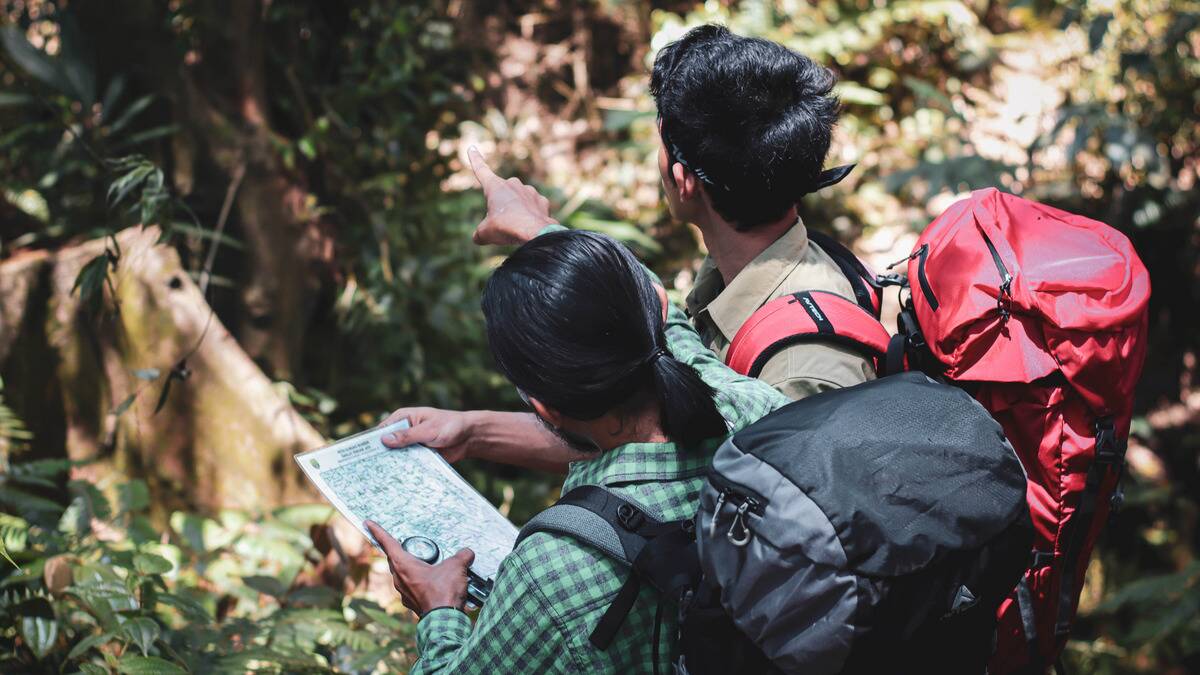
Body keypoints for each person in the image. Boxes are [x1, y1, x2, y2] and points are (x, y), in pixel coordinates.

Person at [378, 26, 874, 470]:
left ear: (683, 180)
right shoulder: (736, 278)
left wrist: (547, 235)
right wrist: (472, 432)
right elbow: (645, 435)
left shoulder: (805, 364)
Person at [367, 229, 788, 673]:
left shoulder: (552, 573)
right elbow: (666, 317)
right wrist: (540, 227)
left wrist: (438, 611)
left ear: (544, 406)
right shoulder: (754, 410)